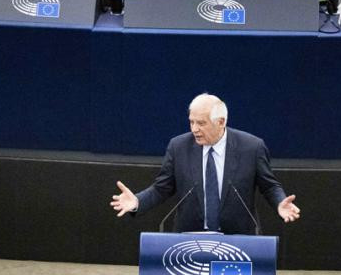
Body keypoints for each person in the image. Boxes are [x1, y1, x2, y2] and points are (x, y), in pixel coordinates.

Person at [110, 94, 300, 235]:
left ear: (221, 122)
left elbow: (269, 186)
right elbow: (161, 188)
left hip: (238, 239)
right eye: (191, 122)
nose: (194, 129)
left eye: (201, 123)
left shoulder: (252, 147)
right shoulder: (178, 147)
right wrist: (137, 202)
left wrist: (279, 203)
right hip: (189, 238)